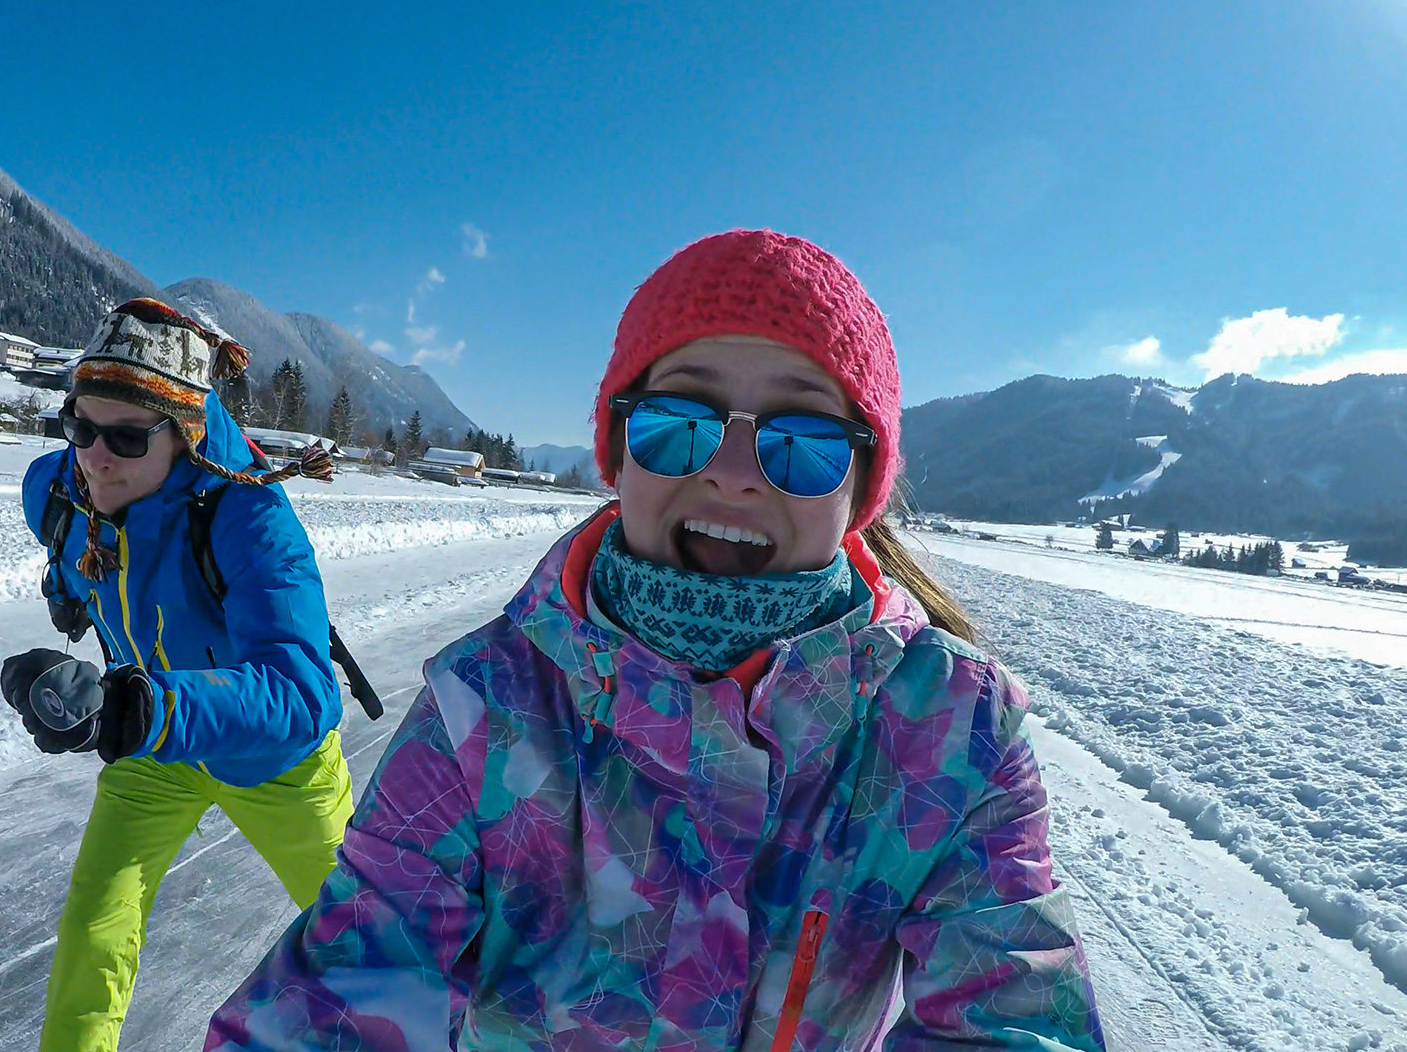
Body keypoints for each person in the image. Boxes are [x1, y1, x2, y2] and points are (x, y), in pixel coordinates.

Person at [206, 231, 1104, 1050]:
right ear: (620, 449)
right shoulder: (484, 704)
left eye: (804, 442)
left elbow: (1015, 1023)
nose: (733, 474)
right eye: (680, 424)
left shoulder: (955, 728)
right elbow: (343, 989)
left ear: (861, 485)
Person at [2, 298, 354, 1052]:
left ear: (186, 436)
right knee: (95, 922)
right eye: (81, 426)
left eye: (128, 437)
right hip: (154, 750)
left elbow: (304, 695)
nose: (96, 456)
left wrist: (141, 709)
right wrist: (66, 620)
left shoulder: (253, 520)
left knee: (369, 945)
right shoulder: (56, 492)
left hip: (272, 761)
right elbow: (69, 563)